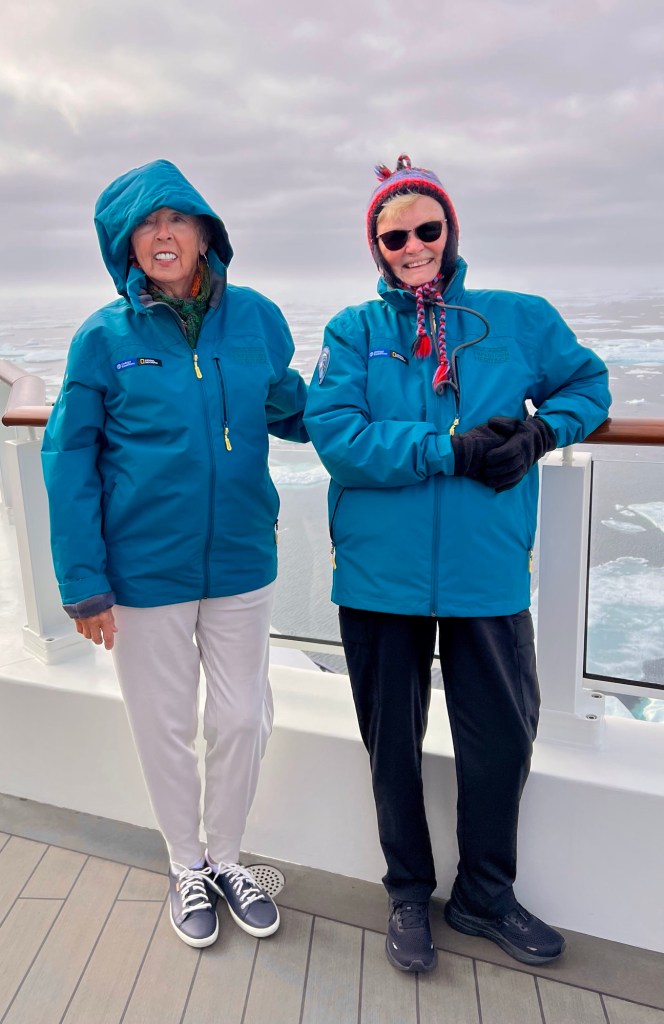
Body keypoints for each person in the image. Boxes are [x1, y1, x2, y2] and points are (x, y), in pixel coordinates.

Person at [304, 155, 610, 973]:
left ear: (451, 229)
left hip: (487, 571)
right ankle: (408, 893)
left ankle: (485, 895)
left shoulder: (518, 318)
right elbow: (339, 437)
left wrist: (542, 433)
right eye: (394, 236)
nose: (413, 246)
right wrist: (448, 448)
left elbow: (588, 386)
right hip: (380, 577)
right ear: (376, 247)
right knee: (392, 746)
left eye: (427, 228)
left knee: (502, 738)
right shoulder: (353, 332)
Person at [42, 159, 308, 949]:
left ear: (204, 234)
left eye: (177, 220)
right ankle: (186, 864)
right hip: (143, 571)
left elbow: (292, 406)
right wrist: (84, 583)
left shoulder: (256, 318)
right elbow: (69, 459)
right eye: (146, 225)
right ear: (126, 246)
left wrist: (392, 415)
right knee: (163, 726)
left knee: (241, 718)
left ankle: (227, 859)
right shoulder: (103, 338)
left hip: (240, 559)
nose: (163, 235)